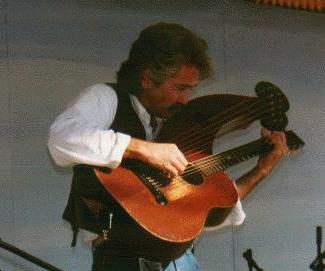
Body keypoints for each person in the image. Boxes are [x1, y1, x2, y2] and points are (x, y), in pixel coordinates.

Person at [48, 22, 288, 271]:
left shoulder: (179, 126)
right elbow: (61, 138)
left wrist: (261, 170)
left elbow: (204, 216)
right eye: (180, 88)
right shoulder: (106, 98)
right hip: (122, 261)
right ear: (146, 78)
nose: (185, 100)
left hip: (182, 262)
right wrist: (142, 148)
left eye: (190, 90)